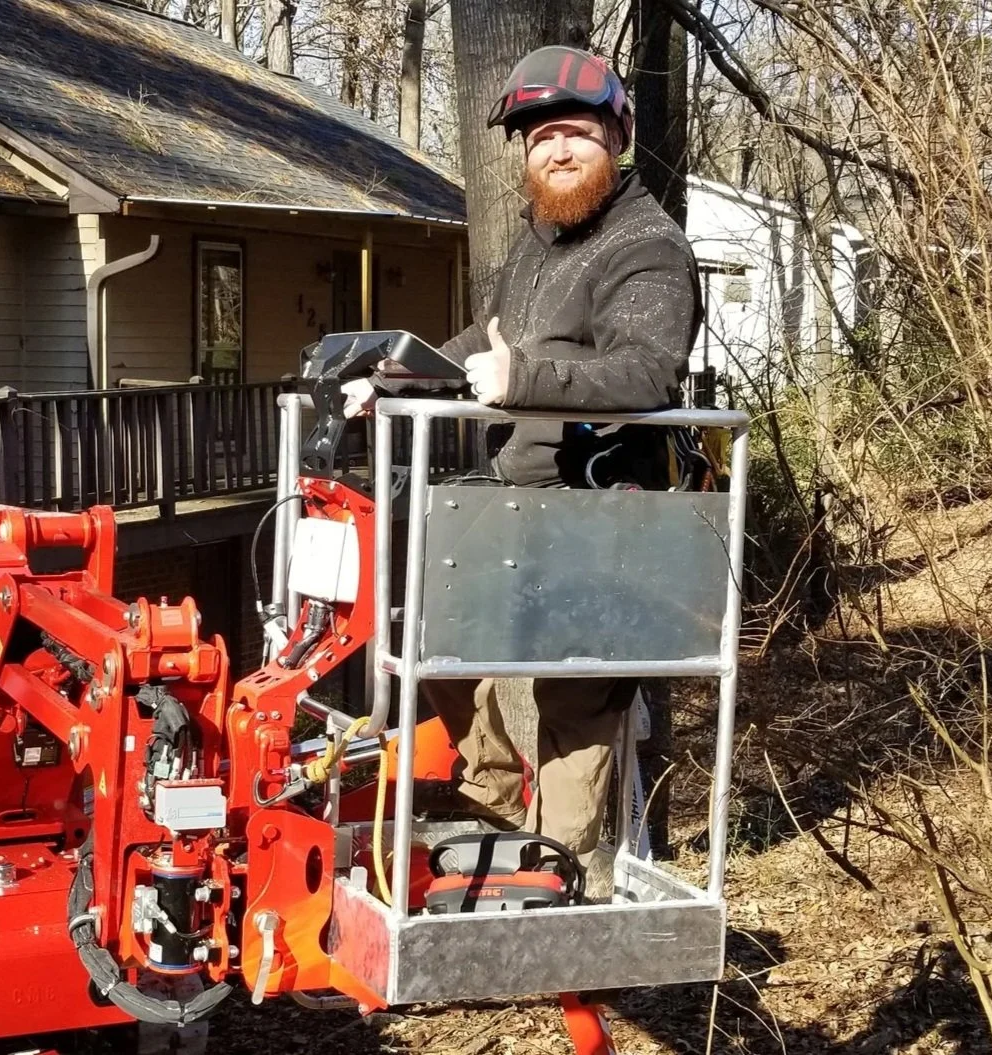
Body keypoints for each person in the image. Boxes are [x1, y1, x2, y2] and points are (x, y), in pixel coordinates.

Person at [342, 45, 701, 861]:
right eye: (540, 139)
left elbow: (645, 369)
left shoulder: (646, 246)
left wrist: (521, 377)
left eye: (574, 132)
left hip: (603, 505)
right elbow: (489, 340)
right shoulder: (542, 240)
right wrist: (405, 372)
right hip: (515, 495)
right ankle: (495, 803)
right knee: (428, 627)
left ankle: (562, 874)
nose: (558, 150)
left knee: (575, 693)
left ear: (618, 132)